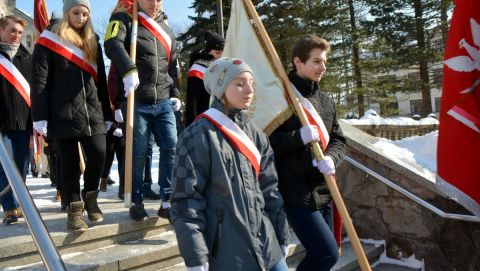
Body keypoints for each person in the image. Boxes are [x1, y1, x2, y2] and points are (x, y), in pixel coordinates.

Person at [170, 57, 289, 271]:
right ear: (221, 87)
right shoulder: (197, 135)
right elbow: (186, 201)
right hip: (226, 254)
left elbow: (270, 190)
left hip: (268, 246)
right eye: (240, 83)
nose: (249, 90)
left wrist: (280, 234)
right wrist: (196, 257)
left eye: (251, 83)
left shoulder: (256, 135)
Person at [31, 0, 111, 231]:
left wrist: (107, 111)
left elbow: (101, 81)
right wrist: (40, 115)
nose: (81, 17)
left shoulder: (93, 41)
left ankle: (90, 196)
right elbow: (39, 81)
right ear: (67, 13)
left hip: (92, 111)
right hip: (61, 113)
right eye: (76, 12)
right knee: (69, 165)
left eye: (85, 13)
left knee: (99, 152)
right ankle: (74, 211)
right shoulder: (48, 42)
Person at [269, 35, 346, 271]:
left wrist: (332, 157)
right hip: (295, 192)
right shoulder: (279, 98)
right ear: (298, 62)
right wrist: (297, 138)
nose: (323, 67)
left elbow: (339, 139)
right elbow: (266, 142)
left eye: (324, 62)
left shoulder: (326, 101)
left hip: (324, 189)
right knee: (326, 254)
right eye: (316, 61)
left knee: (323, 254)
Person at [105, 0, 180, 221]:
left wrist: (175, 92)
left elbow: (172, 65)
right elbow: (111, 43)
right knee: (137, 153)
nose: (154, 3)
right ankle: (136, 201)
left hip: (164, 101)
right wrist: (129, 68)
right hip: (137, 100)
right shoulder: (123, 19)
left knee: (171, 147)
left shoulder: (166, 30)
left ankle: (167, 200)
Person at [0, 15, 31, 225]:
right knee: (3, 168)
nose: (16, 36)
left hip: (24, 122)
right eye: (12, 30)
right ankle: (9, 208)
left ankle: (19, 203)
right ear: (1, 30)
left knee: (21, 166)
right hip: (2, 122)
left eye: (19, 32)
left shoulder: (27, 57)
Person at [184, 30, 224, 126]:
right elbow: (192, 103)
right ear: (208, 51)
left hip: (220, 119)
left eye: (223, 52)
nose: (221, 56)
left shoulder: (223, 68)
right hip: (203, 121)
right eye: (217, 52)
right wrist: (192, 126)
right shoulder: (198, 69)